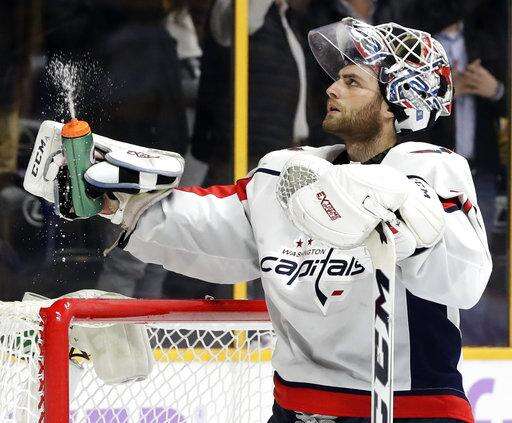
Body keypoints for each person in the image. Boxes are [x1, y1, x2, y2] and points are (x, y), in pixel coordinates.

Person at [25, 18, 491, 422]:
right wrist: (118, 203)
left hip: (413, 408)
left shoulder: (431, 171)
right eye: (337, 78)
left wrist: (413, 223)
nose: (332, 88)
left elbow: (465, 280)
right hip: (297, 408)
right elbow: (211, 228)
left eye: (352, 82)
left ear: (395, 104)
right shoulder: (288, 176)